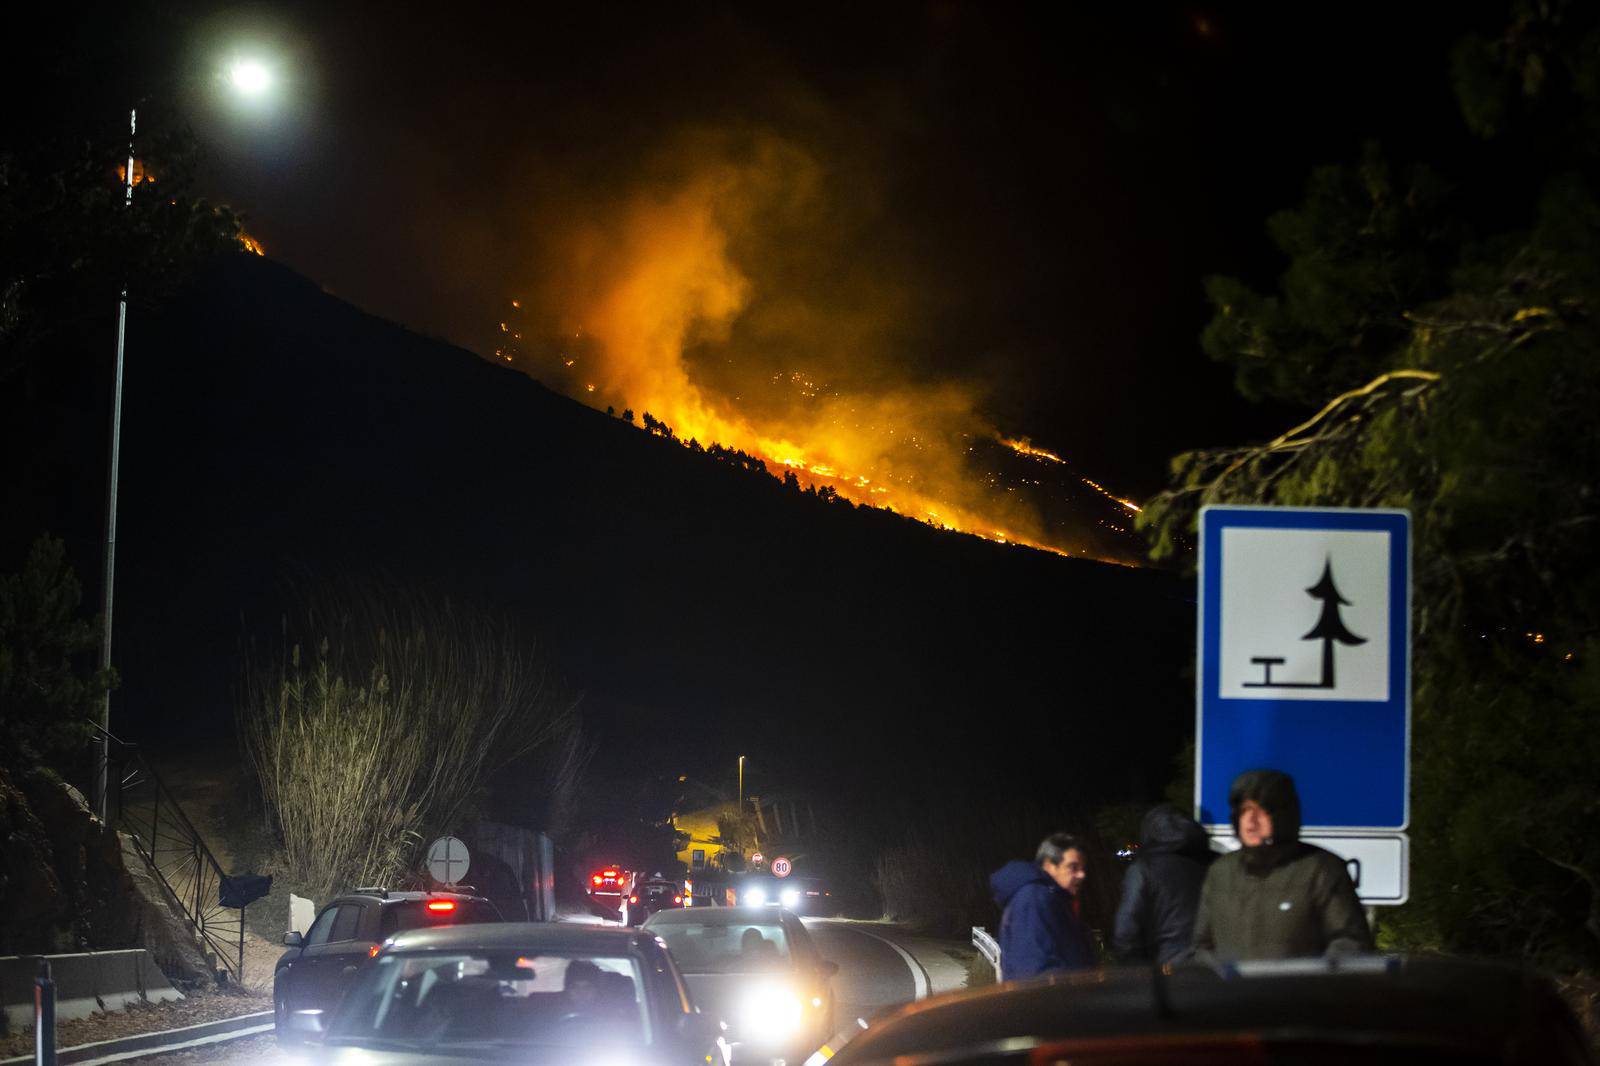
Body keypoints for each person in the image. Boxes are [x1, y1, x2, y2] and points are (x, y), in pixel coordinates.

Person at [1191, 769, 1373, 961]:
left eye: (1261, 810)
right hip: (1235, 992)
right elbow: (1202, 946)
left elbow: (1351, 943)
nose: (1251, 821)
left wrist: (1310, 985)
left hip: (1298, 991)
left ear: (1283, 815)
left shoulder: (1321, 869)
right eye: (1245, 811)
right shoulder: (1220, 872)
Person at [1112, 803, 1214, 965]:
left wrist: (1139, 972)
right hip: (1216, 970)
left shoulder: (1143, 869)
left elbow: (1126, 932)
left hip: (1168, 973)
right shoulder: (1215, 864)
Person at [990, 832, 1094, 981]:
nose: (1081, 875)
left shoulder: (1055, 899)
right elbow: (1033, 971)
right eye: (1073, 867)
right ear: (1049, 866)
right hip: (1049, 1002)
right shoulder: (1033, 900)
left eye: (1083, 868)